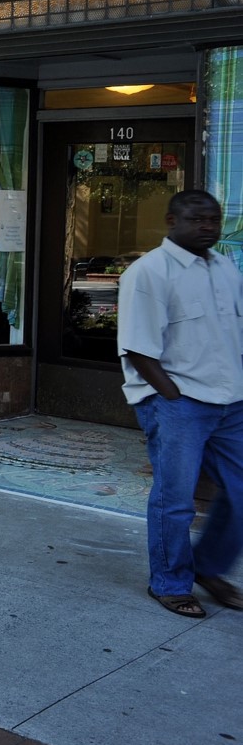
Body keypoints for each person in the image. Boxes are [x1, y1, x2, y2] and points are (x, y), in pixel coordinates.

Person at [118, 189, 243, 618]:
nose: (208, 226)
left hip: (231, 403)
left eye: (213, 219)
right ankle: (170, 583)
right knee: (176, 500)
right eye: (197, 219)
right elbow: (137, 348)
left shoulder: (225, 267)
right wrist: (172, 398)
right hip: (180, 404)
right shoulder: (149, 272)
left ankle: (207, 568)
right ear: (172, 221)